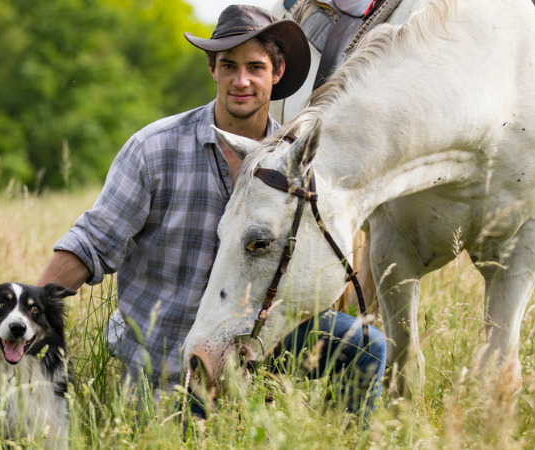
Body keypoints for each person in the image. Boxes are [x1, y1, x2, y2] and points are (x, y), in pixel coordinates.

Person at [37, 4, 385, 419]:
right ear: (212, 70)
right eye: (228, 66)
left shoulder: (296, 162)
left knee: (366, 348)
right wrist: (29, 309)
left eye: (255, 67)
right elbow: (92, 243)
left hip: (256, 346)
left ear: (277, 73)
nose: (242, 81)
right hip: (170, 357)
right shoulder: (155, 148)